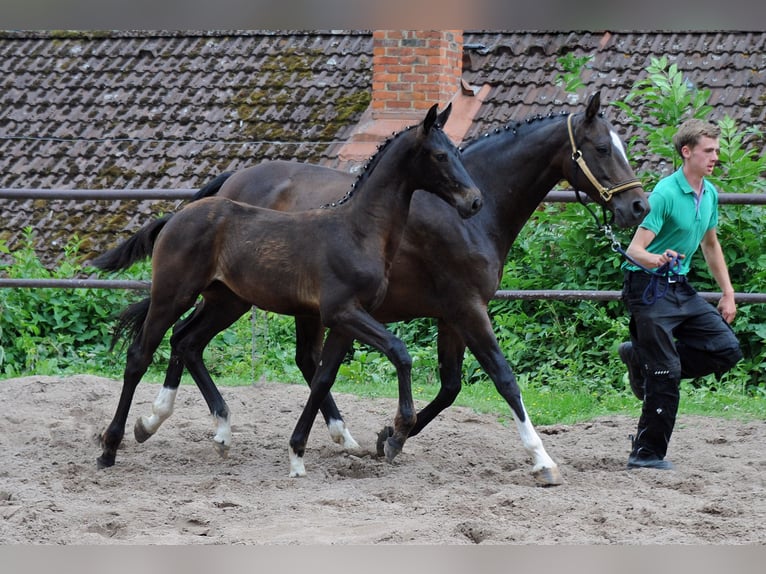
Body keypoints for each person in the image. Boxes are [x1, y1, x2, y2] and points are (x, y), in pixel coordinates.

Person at [618, 118, 743, 470]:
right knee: (666, 370)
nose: (715, 156)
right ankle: (646, 455)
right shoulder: (666, 194)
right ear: (686, 152)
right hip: (647, 288)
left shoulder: (710, 193)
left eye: (716, 150)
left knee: (726, 350)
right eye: (708, 150)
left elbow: (711, 245)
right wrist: (656, 258)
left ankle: (643, 363)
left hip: (679, 287)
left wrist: (728, 293)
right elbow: (634, 250)